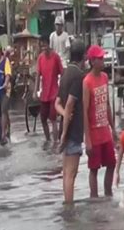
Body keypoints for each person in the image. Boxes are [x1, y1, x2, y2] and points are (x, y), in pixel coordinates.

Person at [55, 39, 86, 204]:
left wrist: (66, 116)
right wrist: (66, 132)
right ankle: (69, 208)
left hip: (66, 128)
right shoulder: (78, 76)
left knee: (66, 173)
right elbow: (69, 104)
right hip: (72, 132)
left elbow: (57, 104)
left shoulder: (66, 74)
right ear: (83, 57)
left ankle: (68, 205)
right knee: (71, 174)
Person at [83, 45, 117, 198]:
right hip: (94, 133)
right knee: (94, 168)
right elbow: (84, 111)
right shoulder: (87, 82)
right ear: (92, 61)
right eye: (100, 58)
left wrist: (113, 128)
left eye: (103, 58)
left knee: (111, 164)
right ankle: (94, 197)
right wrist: (88, 139)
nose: (103, 60)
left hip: (105, 131)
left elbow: (108, 104)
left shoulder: (104, 77)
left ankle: (108, 194)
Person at [33, 35, 64, 143]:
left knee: (53, 119)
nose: (43, 48)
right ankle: (48, 140)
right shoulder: (40, 58)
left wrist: (63, 90)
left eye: (45, 45)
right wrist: (35, 91)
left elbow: (62, 73)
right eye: (41, 46)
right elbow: (38, 75)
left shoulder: (55, 57)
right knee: (43, 119)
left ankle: (55, 142)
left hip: (54, 93)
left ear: (49, 44)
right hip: (44, 94)